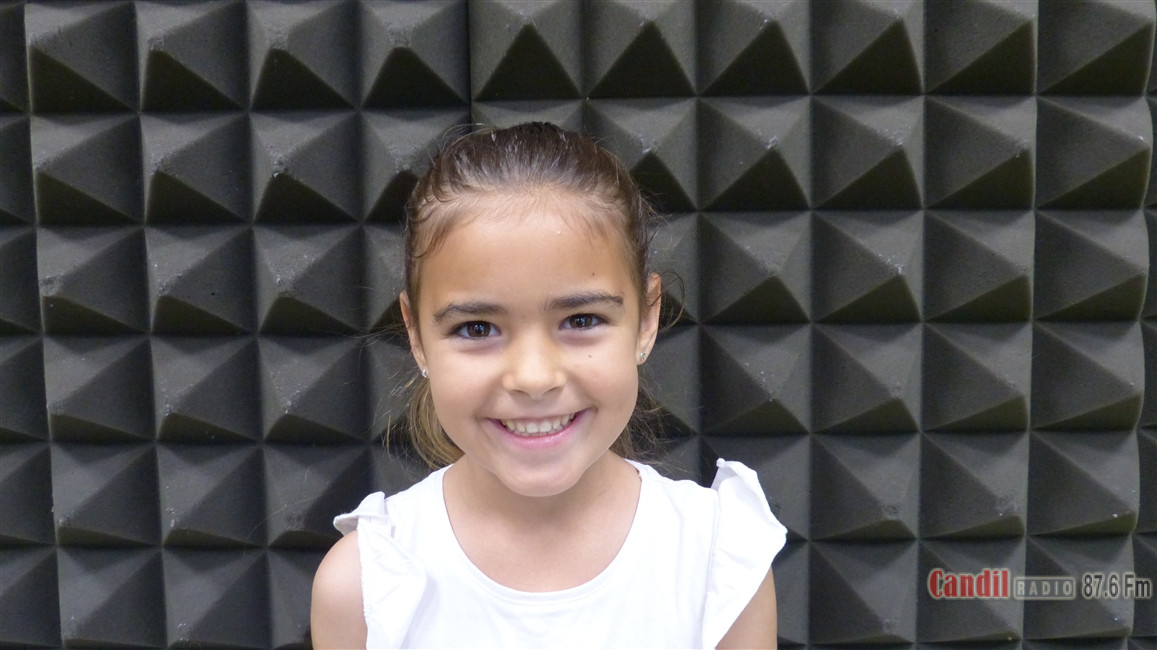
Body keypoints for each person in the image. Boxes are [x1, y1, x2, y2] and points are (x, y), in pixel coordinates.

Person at [310, 122, 787, 649]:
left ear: (646, 320)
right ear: (416, 335)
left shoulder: (719, 565)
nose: (534, 378)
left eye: (581, 320)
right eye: (477, 329)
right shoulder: (363, 587)